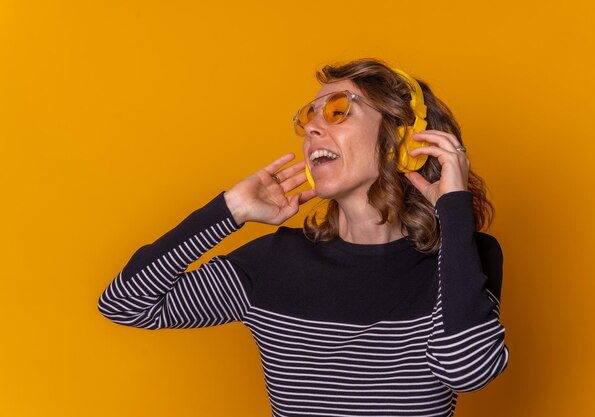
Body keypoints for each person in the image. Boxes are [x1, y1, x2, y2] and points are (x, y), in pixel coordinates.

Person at [98, 58, 509, 417]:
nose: (311, 128)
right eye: (307, 118)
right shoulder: (272, 262)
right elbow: (126, 304)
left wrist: (453, 209)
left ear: (401, 139)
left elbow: (468, 371)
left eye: (336, 111)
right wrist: (229, 210)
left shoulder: (463, 257)